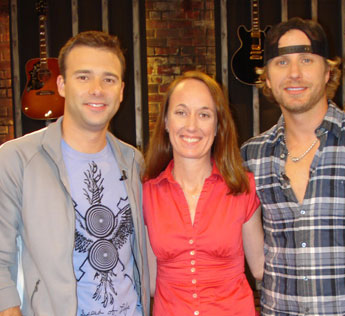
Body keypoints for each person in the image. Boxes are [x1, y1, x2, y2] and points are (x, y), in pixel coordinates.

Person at [241, 17, 345, 316]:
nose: (295, 74)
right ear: (268, 78)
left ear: (328, 71)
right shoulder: (252, 156)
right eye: (282, 63)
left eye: (306, 60)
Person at [0, 31, 150, 316]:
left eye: (109, 79)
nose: (97, 89)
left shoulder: (133, 162)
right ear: (62, 84)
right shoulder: (16, 159)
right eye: (83, 77)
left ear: (121, 90)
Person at [142, 70, 264, 315]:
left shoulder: (243, 187)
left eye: (204, 114)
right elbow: (149, 281)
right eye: (181, 112)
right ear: (166, 121)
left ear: (218, 125)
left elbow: (261, 268)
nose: (192, 125)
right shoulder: (146, 194)